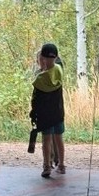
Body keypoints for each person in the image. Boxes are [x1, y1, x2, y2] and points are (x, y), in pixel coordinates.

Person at [30, 43, 65, 178]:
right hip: (58, 112)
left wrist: (34, 113)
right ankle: (61, 164)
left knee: (46, 141)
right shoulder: (59, 71)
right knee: (59, 139)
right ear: (56, 57)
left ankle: (46, 166)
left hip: (45, 115)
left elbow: (36, 99)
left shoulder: (40, 79)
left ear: (42, 58)